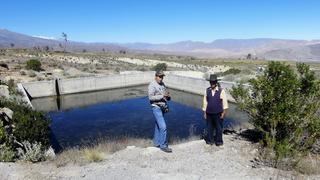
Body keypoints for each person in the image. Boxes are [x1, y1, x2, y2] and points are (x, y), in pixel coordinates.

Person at [148, 70, 172, 153]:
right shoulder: (152, 85)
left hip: (162, 107)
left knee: (158, 125)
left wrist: (168, 97)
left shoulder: (163, 84)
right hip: (156, 107)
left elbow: (165, 94)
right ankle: (163, 145)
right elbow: (150, 97)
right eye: (160, 76)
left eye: (162, 77)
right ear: (156, 76)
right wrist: (162, 96)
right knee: (163, 126)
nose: (161, 78)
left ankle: (157, 143)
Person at [202, 74, 229, 146]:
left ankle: (219, 142)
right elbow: (205, 102)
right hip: (209, 113)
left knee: (219, 128)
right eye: (211, 82)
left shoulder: (221, 91)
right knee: (209, 128)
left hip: (218, 113)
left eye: (213, 82)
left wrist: (224, 113)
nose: (212, 83)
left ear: (216, 82)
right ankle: (210, 141)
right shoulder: (207, 91)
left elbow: (225, 103)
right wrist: (204, 112)